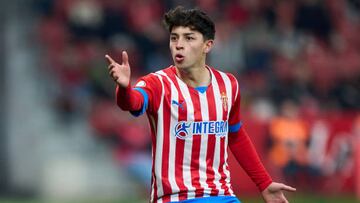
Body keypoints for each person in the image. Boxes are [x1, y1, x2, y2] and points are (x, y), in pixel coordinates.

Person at [105, 6, 295, 203]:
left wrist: (264, 183)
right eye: (174, 38)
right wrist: (125, 88)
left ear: (207, 45)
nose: (179, 44)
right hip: (176, 198)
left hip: (222, 195)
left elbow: (236, 135)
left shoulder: (228, 84)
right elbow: (133, 103)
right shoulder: (157, 83)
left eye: (189, 38)